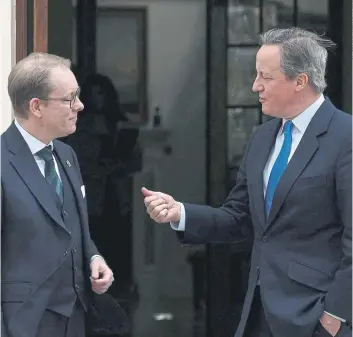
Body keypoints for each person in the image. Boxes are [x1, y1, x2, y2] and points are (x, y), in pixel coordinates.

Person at [142, 28, 352, 337]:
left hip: (315, 316)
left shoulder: (345, 136)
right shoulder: (263, 137)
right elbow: (239, 218)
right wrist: (180, 213)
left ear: (300, 81)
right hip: (258, 312)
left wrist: (335, 316)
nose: (255, 86)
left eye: (265, 77)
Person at [1, 53, 114, 337]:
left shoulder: (66, 156)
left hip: (75, 319)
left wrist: (93, 258)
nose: (80, 105)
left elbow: (73, 229)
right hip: (23, 324)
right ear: (36, 106)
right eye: (69, 98)